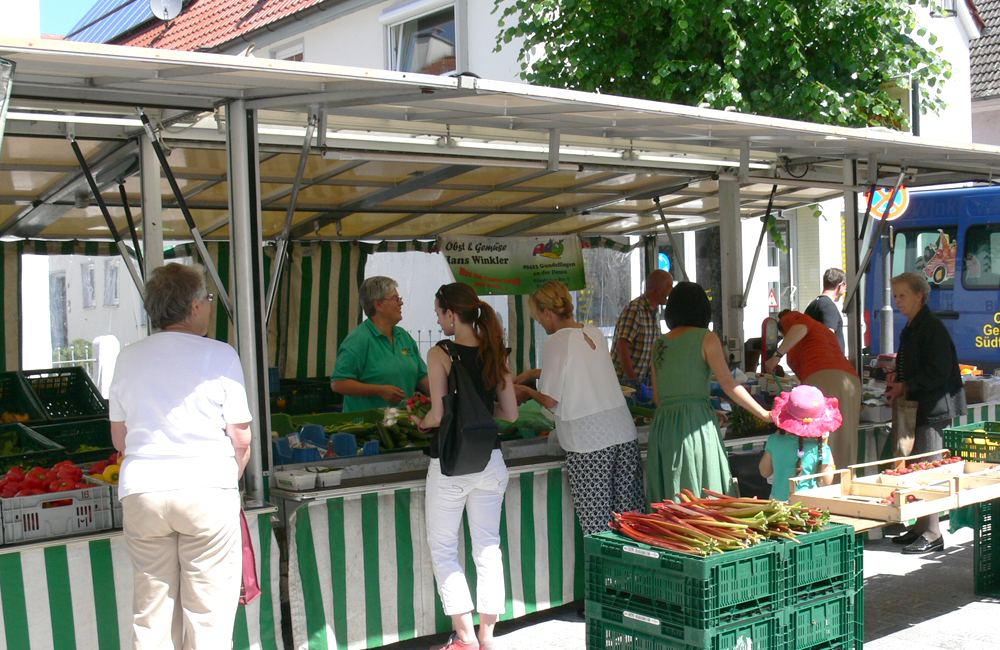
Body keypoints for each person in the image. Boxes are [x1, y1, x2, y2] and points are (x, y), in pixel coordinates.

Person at [108, 263, 253, 650]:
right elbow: (241, 437)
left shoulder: (127, 357)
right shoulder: (221, 355)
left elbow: (119, 440)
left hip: (142, 490)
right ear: (192, 307)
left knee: (152, 612)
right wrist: (228, 477)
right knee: (208, 615)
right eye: (206, 299)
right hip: (206, 489)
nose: (208, 306)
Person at [412, 283, 518, 650]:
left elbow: (438, 415)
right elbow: (511, 412)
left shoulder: (441, 352)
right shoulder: (494, 351)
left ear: (451, 314)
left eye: (439, 312)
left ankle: (464, 638)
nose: (438, 319)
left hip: (452, 465)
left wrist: (421, 423)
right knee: (488, 546)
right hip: (491, 460)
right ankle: (488, 637)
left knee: (444, 547)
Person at [514, 280, 644, 535]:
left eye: (538, 316)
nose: (540, 322)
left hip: (589, 445)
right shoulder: (593, 332)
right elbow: (577, 368)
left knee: (599, 530)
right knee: (630, 524)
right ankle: (631, 573)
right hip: (624, 436)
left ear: (547, 312)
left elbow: (550, 400)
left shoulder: (555, 342)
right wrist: (532, 373)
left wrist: (527, 390)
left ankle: (605, 576)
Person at [647, 282, 772, 506]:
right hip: (695, 427)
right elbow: (728, 383)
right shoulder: (706, 338)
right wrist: (764, 413)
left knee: (672, 496)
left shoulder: (659, 344)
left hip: (663, 429)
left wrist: (697, 404)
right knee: (701, 493)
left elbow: (660, 398)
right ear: (703, 310)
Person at [885, 272, 966, 554]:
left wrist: (906, 384)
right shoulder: (915, 325)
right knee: (917, 467)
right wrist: (898, 377)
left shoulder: (931, 327)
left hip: (934, 407)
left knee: (928, 470)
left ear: (919, 294)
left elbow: (938, 371)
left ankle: (933, 532)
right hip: (921, 406)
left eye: (902, 295)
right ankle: (920, 526)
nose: (897, 301)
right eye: (895, 296)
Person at [764, 310, 861, 470]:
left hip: (825, 377)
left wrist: (777, 356)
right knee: (845, 441)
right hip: (849, 380)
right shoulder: (821, 331)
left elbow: (802, 325)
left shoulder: (791, 318)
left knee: (819, 438)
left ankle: (821, 485)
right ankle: (842, 485)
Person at [331, 276, 430, 412]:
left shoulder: (404, 336)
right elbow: (338, 383)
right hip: (367, 426)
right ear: (378, 305)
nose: (401, 303)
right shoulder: (359, 339)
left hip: (402, 421)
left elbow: (421, 376)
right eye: (396, 298)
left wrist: (446, 393)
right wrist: (379, 390)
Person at [759, 385, 838, 501]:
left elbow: (764, 472)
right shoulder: (822, 448)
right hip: (810, 510)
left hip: (779, 508)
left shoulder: (774, 441)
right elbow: (826, 481)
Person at [611, 269, 673, 387]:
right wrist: (635, 383)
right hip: (621, 386)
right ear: (659, 289)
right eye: (670, 286)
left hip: (635, 385)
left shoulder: (652, 313)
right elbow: (621, 348)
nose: (672, 291)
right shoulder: (635, 310)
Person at [804, 268, 847, 351]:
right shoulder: (829, 307)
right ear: (841, 285)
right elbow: (828, 335)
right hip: (830, 360)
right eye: (845, 286)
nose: (845, 289)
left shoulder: (814, 305)